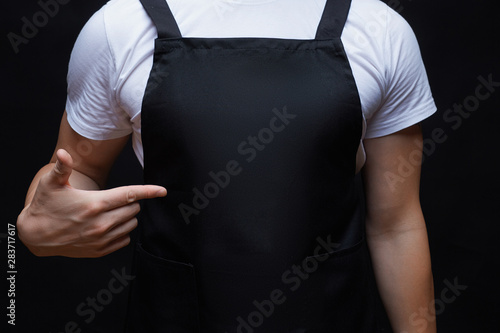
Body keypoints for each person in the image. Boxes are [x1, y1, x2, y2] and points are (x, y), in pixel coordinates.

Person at [17, 0, 437, 331]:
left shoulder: (380, 30)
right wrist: (35, 227)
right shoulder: (119, 27)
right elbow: (78, 174)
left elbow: (396, 224)